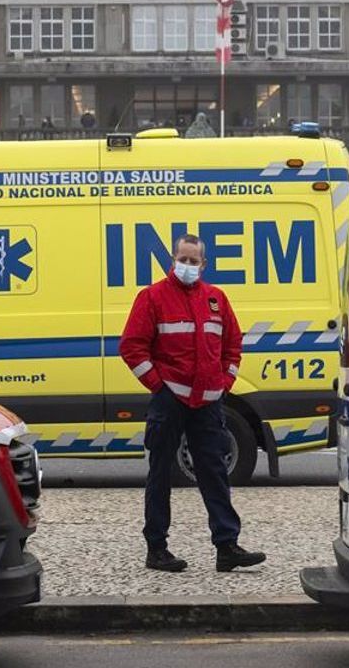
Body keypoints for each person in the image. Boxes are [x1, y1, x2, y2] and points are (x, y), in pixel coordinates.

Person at [119, 234, 267, 573]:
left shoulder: (216, 299)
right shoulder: (152, 297)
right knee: (159, 474)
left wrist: (226, 381)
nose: (187, 266)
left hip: (208, 403)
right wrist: (159, 385)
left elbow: (233, 344)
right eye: (181, 259)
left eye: (193, 260)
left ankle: (227, 546)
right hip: (170, 400)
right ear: (173, 260)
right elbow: (132, 347)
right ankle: (157, 549)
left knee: (215, 473)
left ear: (204, 264)